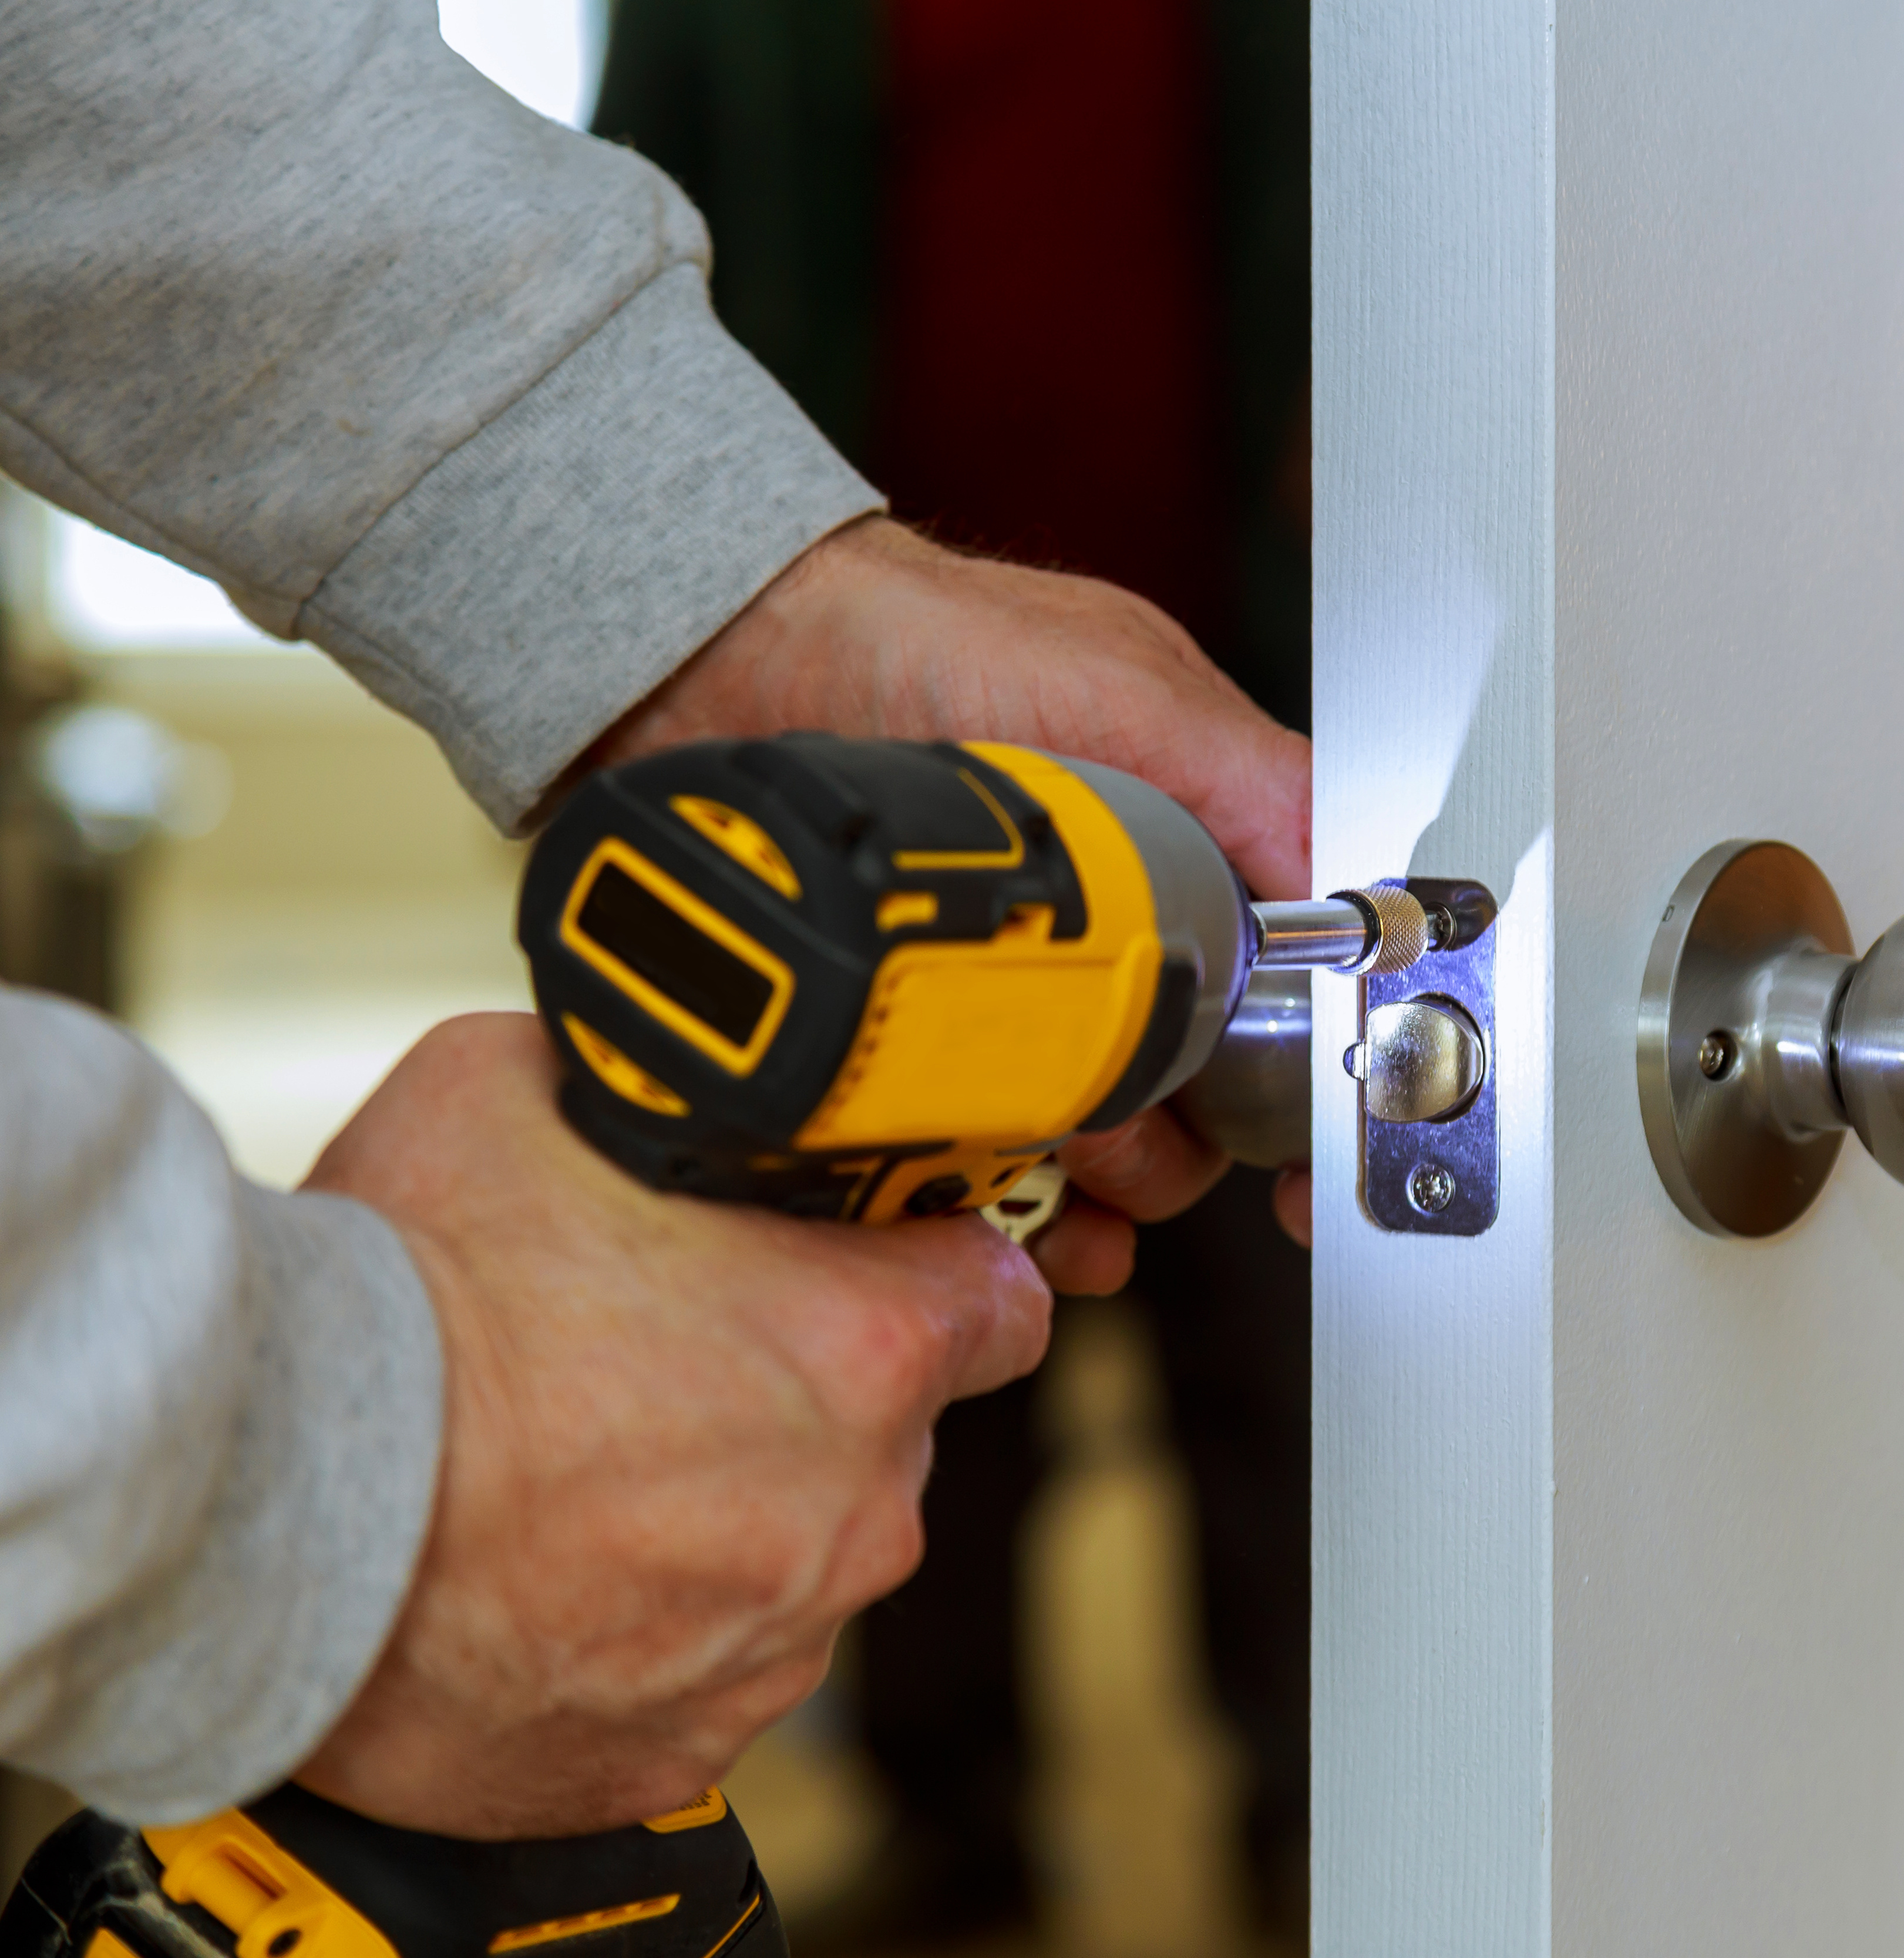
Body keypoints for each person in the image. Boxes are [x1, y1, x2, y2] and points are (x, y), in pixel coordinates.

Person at [0, 0, 1307, 1840]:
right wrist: (298, 1469)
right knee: (955, 1374)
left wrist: (705, 585)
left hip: (1122, 685)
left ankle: (1301, 1808)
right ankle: (955, 1820)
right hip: (959, 730)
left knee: (1234, 1371)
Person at [587, 3, 1314, 1941]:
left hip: (1235, 689)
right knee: (931, 1307)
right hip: (873, 769)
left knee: (1286, 1341)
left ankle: (1315, 1816)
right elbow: (612, 264)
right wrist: (647, 665)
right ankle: (956, 1823)